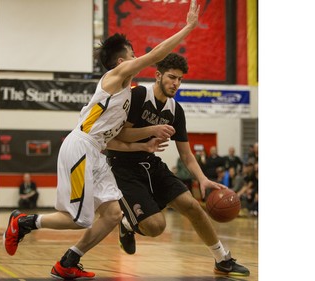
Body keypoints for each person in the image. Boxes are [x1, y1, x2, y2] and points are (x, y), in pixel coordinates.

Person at [3, 2, 201, 279]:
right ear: (122, 62)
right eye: (133, 55)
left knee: (111, 214)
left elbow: (113, 141)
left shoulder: (125, 94)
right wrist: (189, 27)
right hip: (81, 148)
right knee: (78, 220)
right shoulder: (115, 77)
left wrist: (142, 145)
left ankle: (68, 263)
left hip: (97, 152)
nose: (138, 58)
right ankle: (23, 221)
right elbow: (157, 54)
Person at [106, 53, 250, 276]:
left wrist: (202, 178)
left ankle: (223, 259)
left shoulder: (175, 110)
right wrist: (151, 130)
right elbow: (117, 136)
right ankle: (126, 225)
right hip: (122, 166)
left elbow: (187, 154)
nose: (176, 83)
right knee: (156, 227)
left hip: (150, 163)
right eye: (172, 77)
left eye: (180, 79)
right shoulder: (138, 96)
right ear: (158, 75)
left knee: (192, 206)